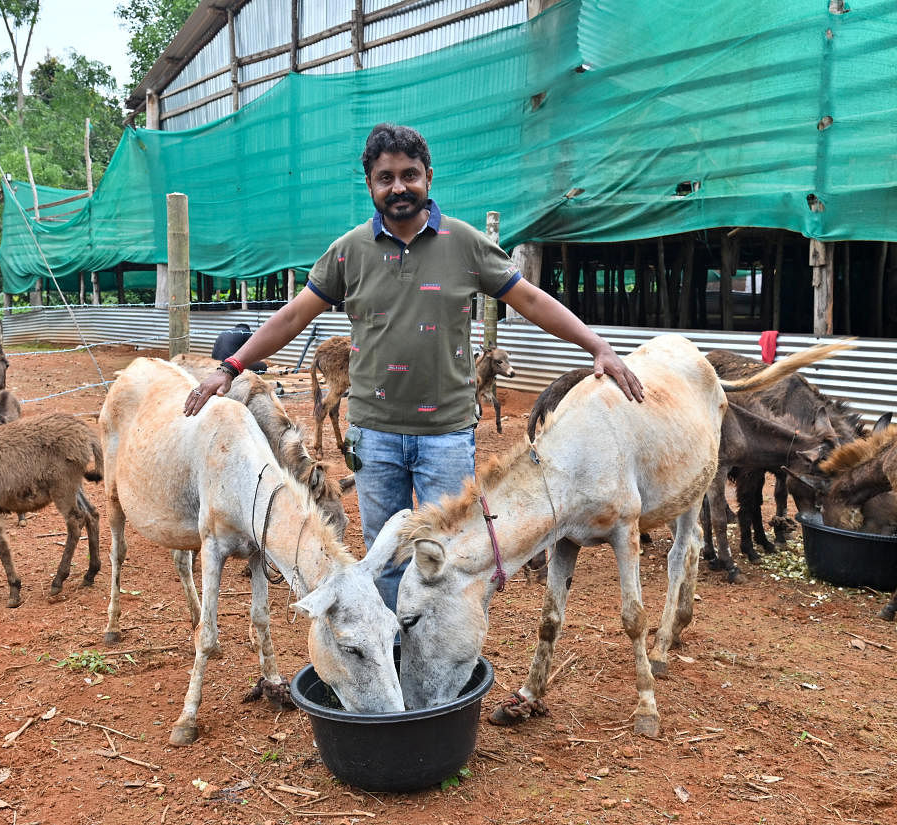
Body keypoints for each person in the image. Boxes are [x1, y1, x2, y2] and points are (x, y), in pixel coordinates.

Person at [185, 123, 644, 610]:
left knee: (445, 557)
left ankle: (441, 673)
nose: (399, 187)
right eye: (386, 178)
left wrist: (598, 345)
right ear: (370, 184)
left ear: (429, 177)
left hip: (445, 436)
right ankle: (394, 665)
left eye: (410, 175)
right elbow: (294, 315)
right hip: (374, 434)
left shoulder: (465, 244)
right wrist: (231, 366)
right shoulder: (349, 251)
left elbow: (529, 298)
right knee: (385, 559)